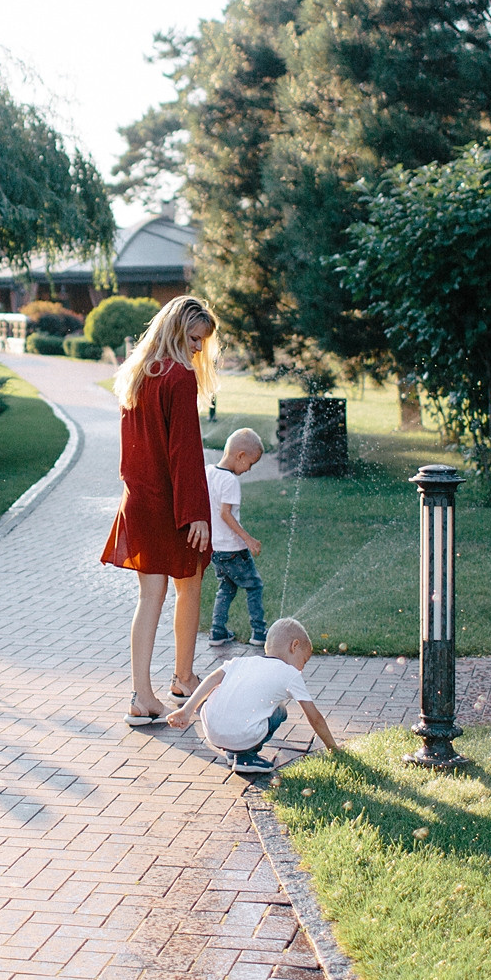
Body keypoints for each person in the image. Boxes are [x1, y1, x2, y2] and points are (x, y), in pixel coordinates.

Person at [102, 294, 217, 725]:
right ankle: (183, 677)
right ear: (175, 331)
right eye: (194, 338)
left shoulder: (138, 374)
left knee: (150, 596)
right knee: (190, 584)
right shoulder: (179, 376)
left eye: (202, 341)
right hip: (170, 504)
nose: (198, 349)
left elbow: (132, 450)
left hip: (139, 499)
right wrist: (196, 513)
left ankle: (141, 695)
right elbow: (184, 452)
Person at [168, 617, 336, 775]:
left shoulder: (240, 662)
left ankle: (234, 752)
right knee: (280, 712)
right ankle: (246, 758)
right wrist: (333, 748)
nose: (301, 669)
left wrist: (187, 710)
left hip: (212, 731)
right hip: (241, 736)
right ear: (294, 646)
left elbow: (211, 680)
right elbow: (314, 717)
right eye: (303, 661)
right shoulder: (290, 674)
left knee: (235, 699)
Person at [206, 428, 266, 647]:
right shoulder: (230, 480)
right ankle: (259, 632)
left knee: (227, 588)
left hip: (216, 549)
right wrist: (247, 539)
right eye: (250, 464)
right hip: (233, 549)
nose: (249, 469)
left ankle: (217, 631)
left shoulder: (209, 472)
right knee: (254, 586)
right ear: (240, 456)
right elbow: (225, 514)